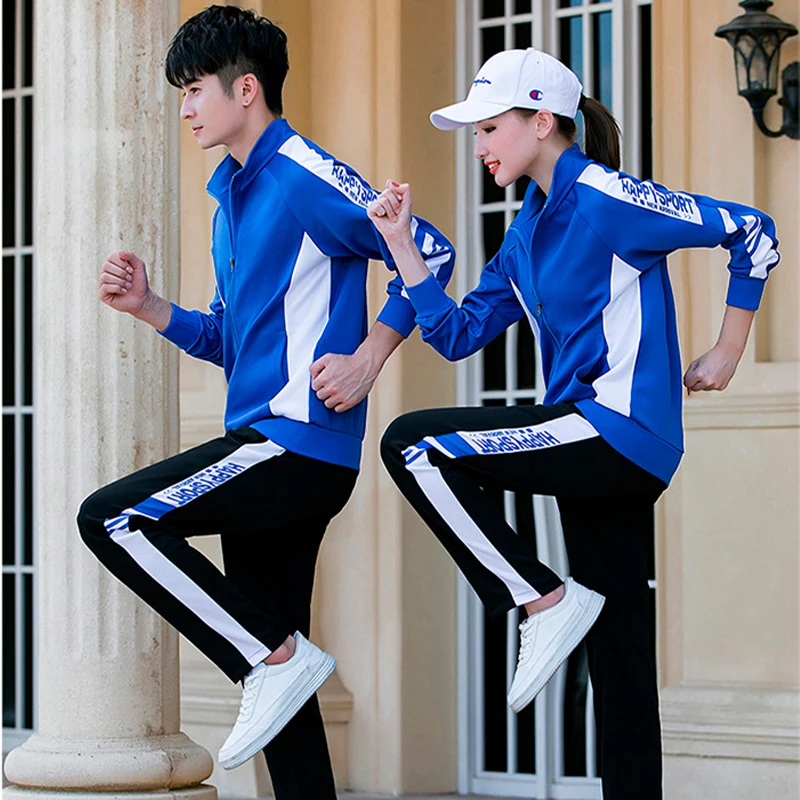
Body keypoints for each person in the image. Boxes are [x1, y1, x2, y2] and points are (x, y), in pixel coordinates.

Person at [369, 47, 779, 800]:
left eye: (490, 128)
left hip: (617, 428)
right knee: (619, 659)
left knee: (415, 444)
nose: (480, 146)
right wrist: (401, 247)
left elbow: (752, 231)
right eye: (476, 133)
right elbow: (458, 335)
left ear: (542, 121)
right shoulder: (524, 235)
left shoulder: (606, 197)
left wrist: (728, 349)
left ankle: (540, 598)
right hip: (588, 441)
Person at [76, 5, 454, 797]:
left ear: (245, 89)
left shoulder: (303, 173)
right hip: (264, 443)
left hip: (293, 446)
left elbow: (428, 249)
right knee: (284, 695)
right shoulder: (233, 199)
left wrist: (369, 358)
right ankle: (276, 661)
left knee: (114, 519)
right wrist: (151, 307)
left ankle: (271, 657)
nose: (185, 107)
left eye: (194, 90)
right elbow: (231, 338)